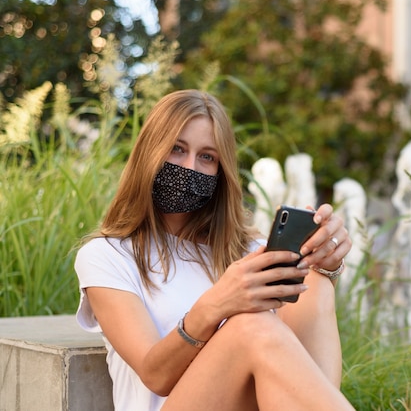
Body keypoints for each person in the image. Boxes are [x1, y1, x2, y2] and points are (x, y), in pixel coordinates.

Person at [74, 89, 355, 410]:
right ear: (150, 151)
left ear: (221, 172)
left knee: (314, 280)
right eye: (177, 149)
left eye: (207, 157)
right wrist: (217, 304)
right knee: (252, 324)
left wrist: (324, 263)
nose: (190, 166)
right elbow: (154, 374)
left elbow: (307, 375)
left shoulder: (250, 252)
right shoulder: (108, 256)